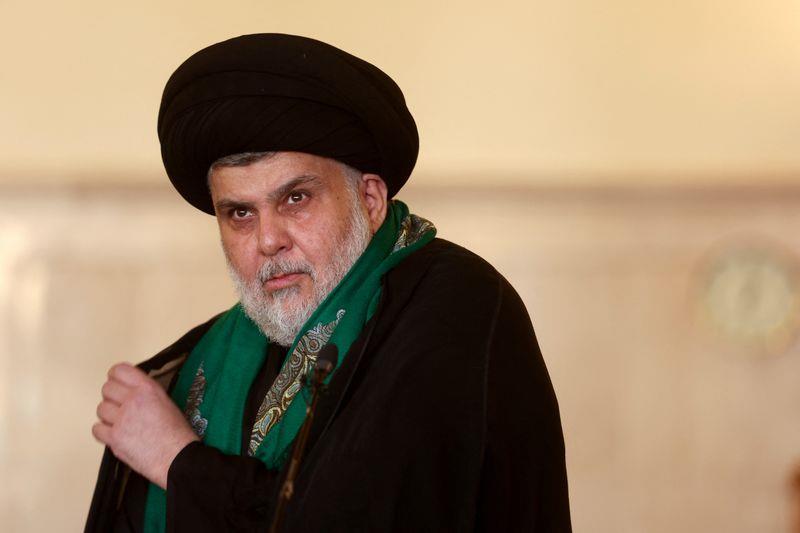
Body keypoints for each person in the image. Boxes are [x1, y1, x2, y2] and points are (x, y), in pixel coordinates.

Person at [85, 33, 572, 533]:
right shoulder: (210, 357)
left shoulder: (454, 305)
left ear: (370, 199)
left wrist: (178, 460)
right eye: (240, 213)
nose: (269, 240)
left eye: (295, 198)